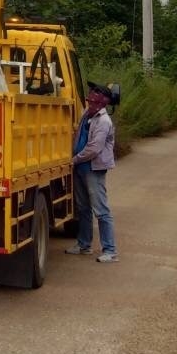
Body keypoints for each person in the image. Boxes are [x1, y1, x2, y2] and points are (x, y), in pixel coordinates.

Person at [65, 81, 118, 262]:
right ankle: (84, 245)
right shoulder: (87, 115)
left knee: (101, 210)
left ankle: (110, 251)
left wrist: (75, 159)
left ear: (102, 102)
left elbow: (94, 148)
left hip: (93, 169)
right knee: (83, 208)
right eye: (89, 98)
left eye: (94, 98)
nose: (90, 101)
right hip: (81, 167)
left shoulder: (103, 121)